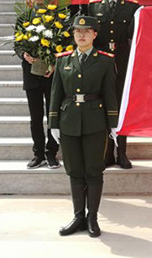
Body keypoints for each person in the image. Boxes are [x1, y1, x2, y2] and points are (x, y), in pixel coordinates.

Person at [49, 15, 118, 238]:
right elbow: (56, 93)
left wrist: (113, 123)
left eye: (87, 31)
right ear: (73, 34)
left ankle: (92, 218)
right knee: (75, 171)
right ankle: (78, 216)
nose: (82, 35)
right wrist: (53, 122)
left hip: (95, 122)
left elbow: (110, 93)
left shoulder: (105, 60)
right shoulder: (63, 60)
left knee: (93, 171)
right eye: (78, 32)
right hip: (69, 122)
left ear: (95, 35)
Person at [87, 0, 140, 170]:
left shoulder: (133, 7)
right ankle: (106, 153)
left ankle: (122, 152)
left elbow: (135, 37)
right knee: (102, 107)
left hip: (122, 60)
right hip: (100, 62)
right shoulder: (93, 7)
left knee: (121, 106)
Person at [15, 0, 60, 170]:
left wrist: (54, 62)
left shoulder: (57, 17)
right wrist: (23, 54)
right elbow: (17, 44)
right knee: (35, 117)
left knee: (52, 115)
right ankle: (38, 154)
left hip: (51, 75)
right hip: (32, 74)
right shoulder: (23, 17)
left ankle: (51, 154)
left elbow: (64, 44)